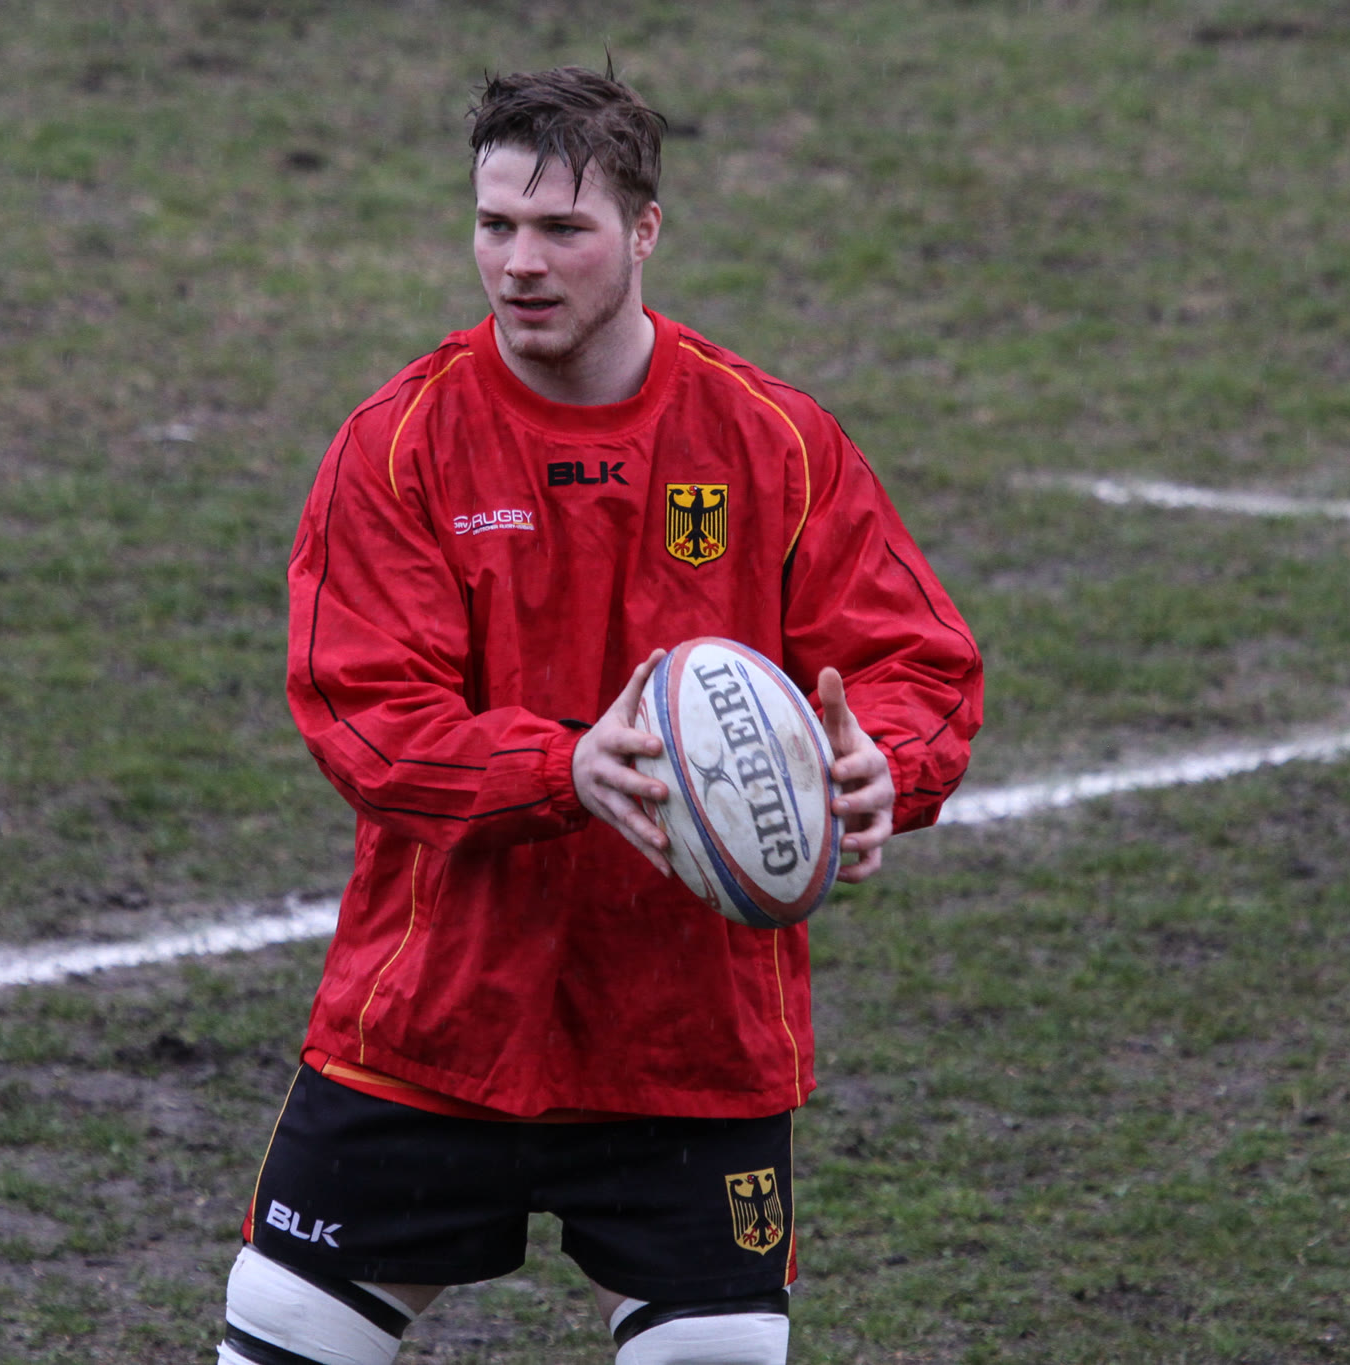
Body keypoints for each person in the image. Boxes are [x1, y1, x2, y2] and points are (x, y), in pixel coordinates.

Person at [220, 65, 982, 1365]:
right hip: (444, 1016)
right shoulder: (402, 444)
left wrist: (881, 766)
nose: (519, 263)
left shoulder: (773, 441)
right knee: (285, 1339)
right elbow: (367, 717)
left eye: (561, 228)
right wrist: (563, 768)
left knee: (716, 1356)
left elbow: (915, 663)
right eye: (495, 224)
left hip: (690, 1034)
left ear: (644, 231)